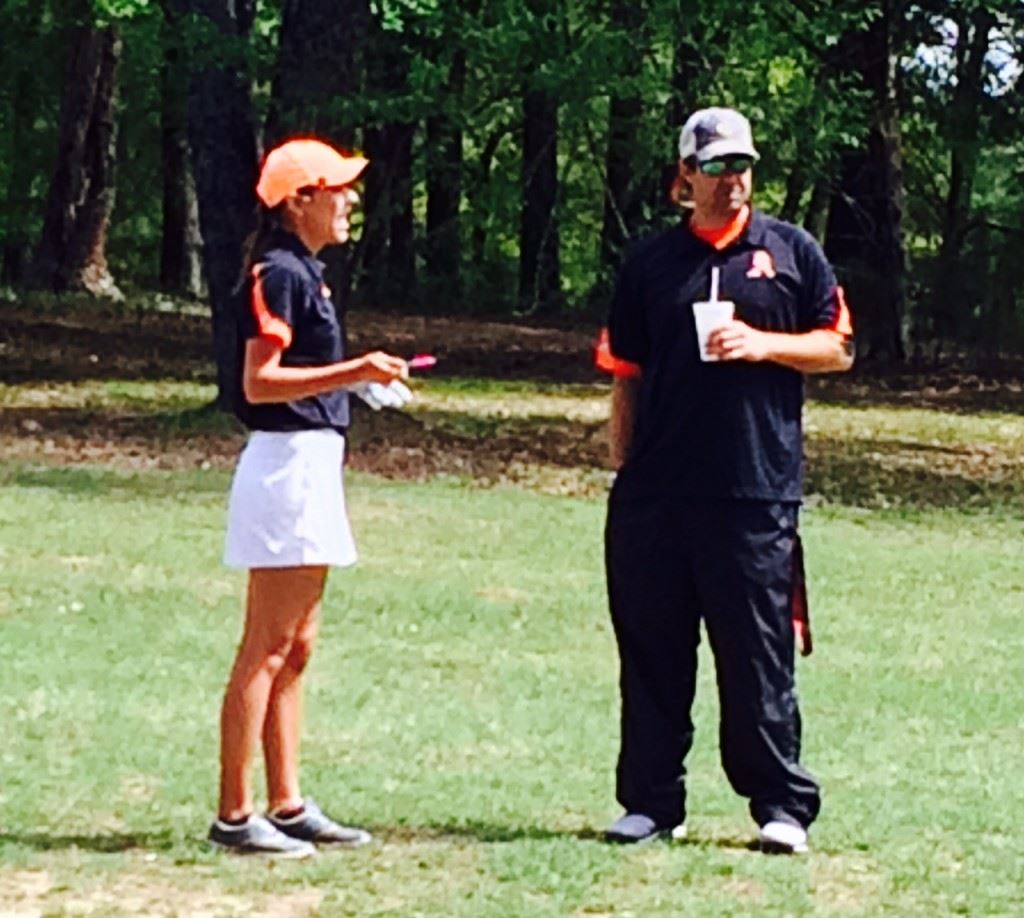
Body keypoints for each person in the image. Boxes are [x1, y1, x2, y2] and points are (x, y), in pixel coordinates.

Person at [600, 107, 853, 854]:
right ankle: (651, 803)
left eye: (742, 165)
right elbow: (625, 376)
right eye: (716, 166)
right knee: (652, 651)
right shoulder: (650, 264)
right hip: (656, 494)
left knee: (756, 656)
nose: (732, 179)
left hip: (752, 491)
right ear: (685, 176)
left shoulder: (792, 252)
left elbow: (837, 348)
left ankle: (780, 805)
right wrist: (624, 470)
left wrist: (763, 343)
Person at [207, 138, 411, 858]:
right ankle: (235, 815)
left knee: (297, 648)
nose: (350, 200)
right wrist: (354, 367)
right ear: (300, 201)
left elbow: (305, 374)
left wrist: (355, 381)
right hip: (284, 468)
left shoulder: (309, 275)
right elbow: (261, 382)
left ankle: (286, 802)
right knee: (265, 646)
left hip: (312, 464)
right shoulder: (279, 272)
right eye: (337, 189)